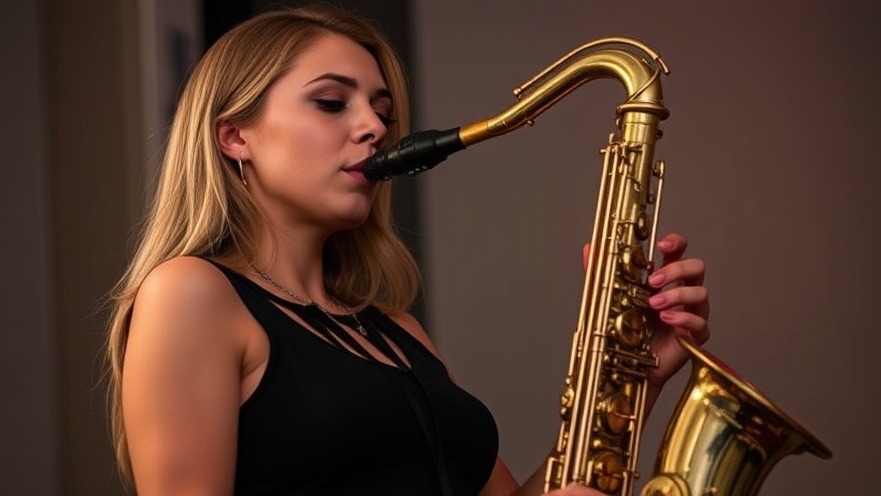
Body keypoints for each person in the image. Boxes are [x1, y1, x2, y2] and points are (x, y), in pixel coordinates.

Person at [105, 4, 710, 496]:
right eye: (331, 101)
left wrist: (634, 377)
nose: (372, 125)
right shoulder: (191, 292)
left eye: (382, 110)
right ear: (235, 136)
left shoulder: (396, 331)